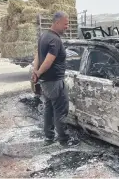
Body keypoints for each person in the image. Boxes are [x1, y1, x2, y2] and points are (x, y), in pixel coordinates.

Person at [33, 12, 79, 147]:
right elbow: (48, 61)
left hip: (46, 82)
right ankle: (64, 140)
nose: (67, 26)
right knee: (60, 111)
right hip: (55, 81)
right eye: (65, 24)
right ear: (57, 23)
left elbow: (37, 55)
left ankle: (49, 137)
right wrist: (39, 72)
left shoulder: (44, 36)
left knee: (49, 110)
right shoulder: (55, 40)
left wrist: (36, 73)